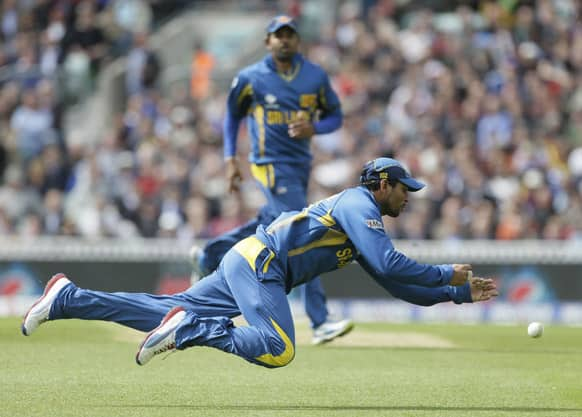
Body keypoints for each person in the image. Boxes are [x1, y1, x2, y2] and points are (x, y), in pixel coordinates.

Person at [22, 157, 499, 369]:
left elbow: (396, 285)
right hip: (262, 264)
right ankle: (188, 329)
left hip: (248, 260)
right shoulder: (358, 204)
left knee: (156, 310)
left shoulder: (360, 222)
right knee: (278, 348)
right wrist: (444, 274)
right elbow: (391, 264)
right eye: (403, 188)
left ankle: (68, 299)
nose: (408, 197)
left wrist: (455, 293)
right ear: (380, 183)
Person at [190, 15, 351, 345]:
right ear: (267, 42)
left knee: (271, 223)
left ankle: (209, 254)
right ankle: (319, 320)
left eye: (289, 34)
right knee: (301, 229)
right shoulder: (252, 78)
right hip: (269, 165)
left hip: (300, 165)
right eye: (278, 36)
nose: (284, 40)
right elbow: (233, 116)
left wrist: (314, 128)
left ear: (297, 40)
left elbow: (335, 116)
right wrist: (230, 159)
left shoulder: (314, 77)